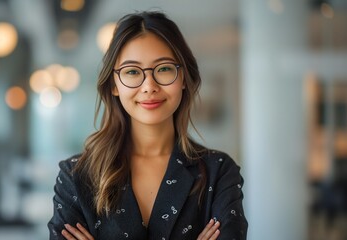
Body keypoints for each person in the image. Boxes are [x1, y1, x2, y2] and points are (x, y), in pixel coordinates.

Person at [48, 11, 247, 240]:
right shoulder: (76, 176)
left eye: (163, 69)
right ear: (114, 85)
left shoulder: (218, 172)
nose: (149, 86)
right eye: (132, 72)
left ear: (183, 78)